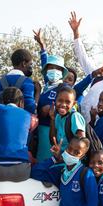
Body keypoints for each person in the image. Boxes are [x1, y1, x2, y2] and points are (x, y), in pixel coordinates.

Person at [33, 29, 70, 160]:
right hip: (39, 129)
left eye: (57, 68)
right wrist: (42, 46)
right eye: (50, 67)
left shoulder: (63, 88)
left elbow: (67, 107)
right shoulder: (47, 85)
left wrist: (54, 110)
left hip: (52, 130)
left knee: (48, 162)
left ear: (62, 72)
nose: (53, 70)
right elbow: (44, 61)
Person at [0, 48, 37, 114]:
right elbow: (30, 107)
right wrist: (38, 93)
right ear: (24, 63)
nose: (31, 67)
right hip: (19, 119)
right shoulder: (27, 82)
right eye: (30, 64)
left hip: (0, 118)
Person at [50, 87, 85, 154]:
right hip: (60, 155)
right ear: (55, 101)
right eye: (60, 101)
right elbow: (53, 140)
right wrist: (52, 118)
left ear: (74, 104)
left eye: (68, 102)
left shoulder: (75, 116)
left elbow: (81, 142)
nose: (63, 105)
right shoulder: (57, 117)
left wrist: (68, 156)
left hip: (71, 157)